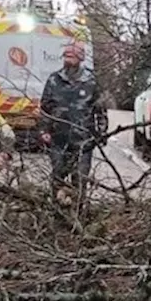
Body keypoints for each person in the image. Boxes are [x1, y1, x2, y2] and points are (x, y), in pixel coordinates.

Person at [39, 43, 108, 205]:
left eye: (72, 56)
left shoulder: (91, 81)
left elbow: (101, 110)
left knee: (80, 180)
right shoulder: (54, 79)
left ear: (80, 58)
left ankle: (78, 214)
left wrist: (102, 133)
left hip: (84, 141)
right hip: (58, 139)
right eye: (66, 56)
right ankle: (56, 214)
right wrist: (44, 130)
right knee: (57, 177)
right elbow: (45, 108)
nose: (68, 59)